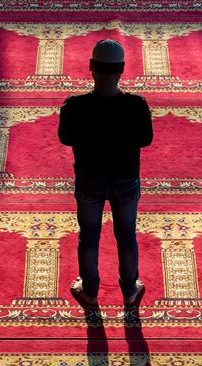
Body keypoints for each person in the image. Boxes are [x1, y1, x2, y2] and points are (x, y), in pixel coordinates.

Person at [58, 39, 153, 309]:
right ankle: (130, 289)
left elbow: (65, 138)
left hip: (89, 179)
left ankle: (89, 290)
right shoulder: (136, 105)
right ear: (122, 69)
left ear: (91, 67)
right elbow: (146, 140)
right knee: (126, 234)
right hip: (126, 181)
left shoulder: (75, 105)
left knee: (89, 235)